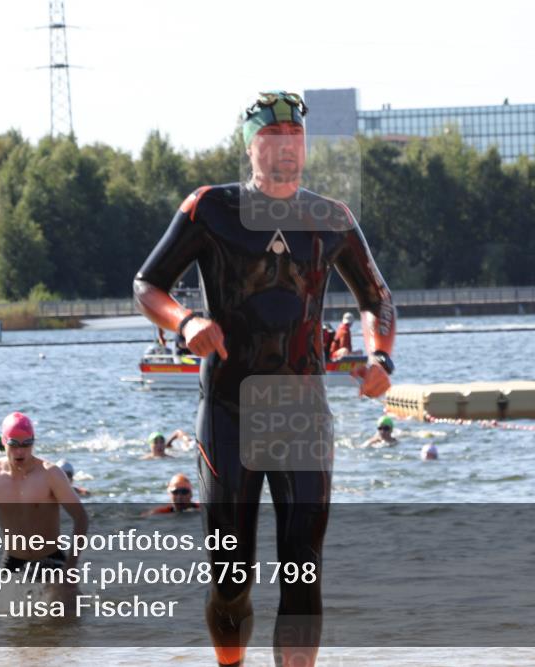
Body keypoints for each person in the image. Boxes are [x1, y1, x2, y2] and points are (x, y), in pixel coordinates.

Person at [134, 90, 396, 667]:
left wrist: (380, 358)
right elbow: (146, 284)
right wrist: (187, 320)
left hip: (302, 413)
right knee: (232, 575)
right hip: (229, 411)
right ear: (250, 147)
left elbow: (378, 299)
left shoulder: (332, 218)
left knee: (304, 565)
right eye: (273, 142)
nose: (286, 153)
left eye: (296, 142)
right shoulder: (210, 209)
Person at [0, 412, 88, 609]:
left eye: (27, 444)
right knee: (13, 633)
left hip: (51, 560)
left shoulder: (50, 474)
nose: (21, 451)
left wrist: (71, 566)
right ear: (3, 442)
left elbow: (81, 518)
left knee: (64, 626)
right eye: (14, 444)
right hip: (12, 562)